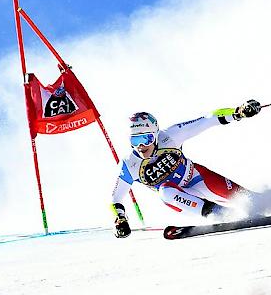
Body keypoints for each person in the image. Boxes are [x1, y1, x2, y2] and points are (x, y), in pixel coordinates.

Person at [111, 100, 262, 238]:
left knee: (249, 200)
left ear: (156, 135)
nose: (141, 146)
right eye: (135, 140)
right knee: (165, 191)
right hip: (179, 199)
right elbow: (115, 199)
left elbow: (208, 120)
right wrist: (120, 219)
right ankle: (219, 214)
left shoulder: (170, 136)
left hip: (198, 178)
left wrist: (238, 112)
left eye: (146, 139)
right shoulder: (129, 164)